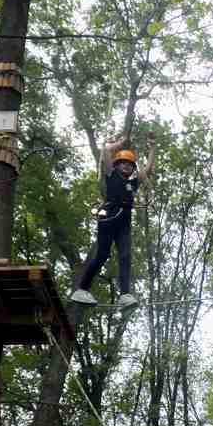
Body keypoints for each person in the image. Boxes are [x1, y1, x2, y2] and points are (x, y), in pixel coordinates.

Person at [70, 131, 156, 310]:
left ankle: (125, 295)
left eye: (130, 164)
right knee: (102, 255)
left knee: (126, 255)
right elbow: (106, 151)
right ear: (116, 165)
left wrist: (152, 148)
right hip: (109, 216)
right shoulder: (111, 174)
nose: (126, 166)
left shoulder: (133, 183)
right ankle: (82, 290)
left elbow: (148, 169)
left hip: (124, 222)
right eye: (123, 162)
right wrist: (121, 143)